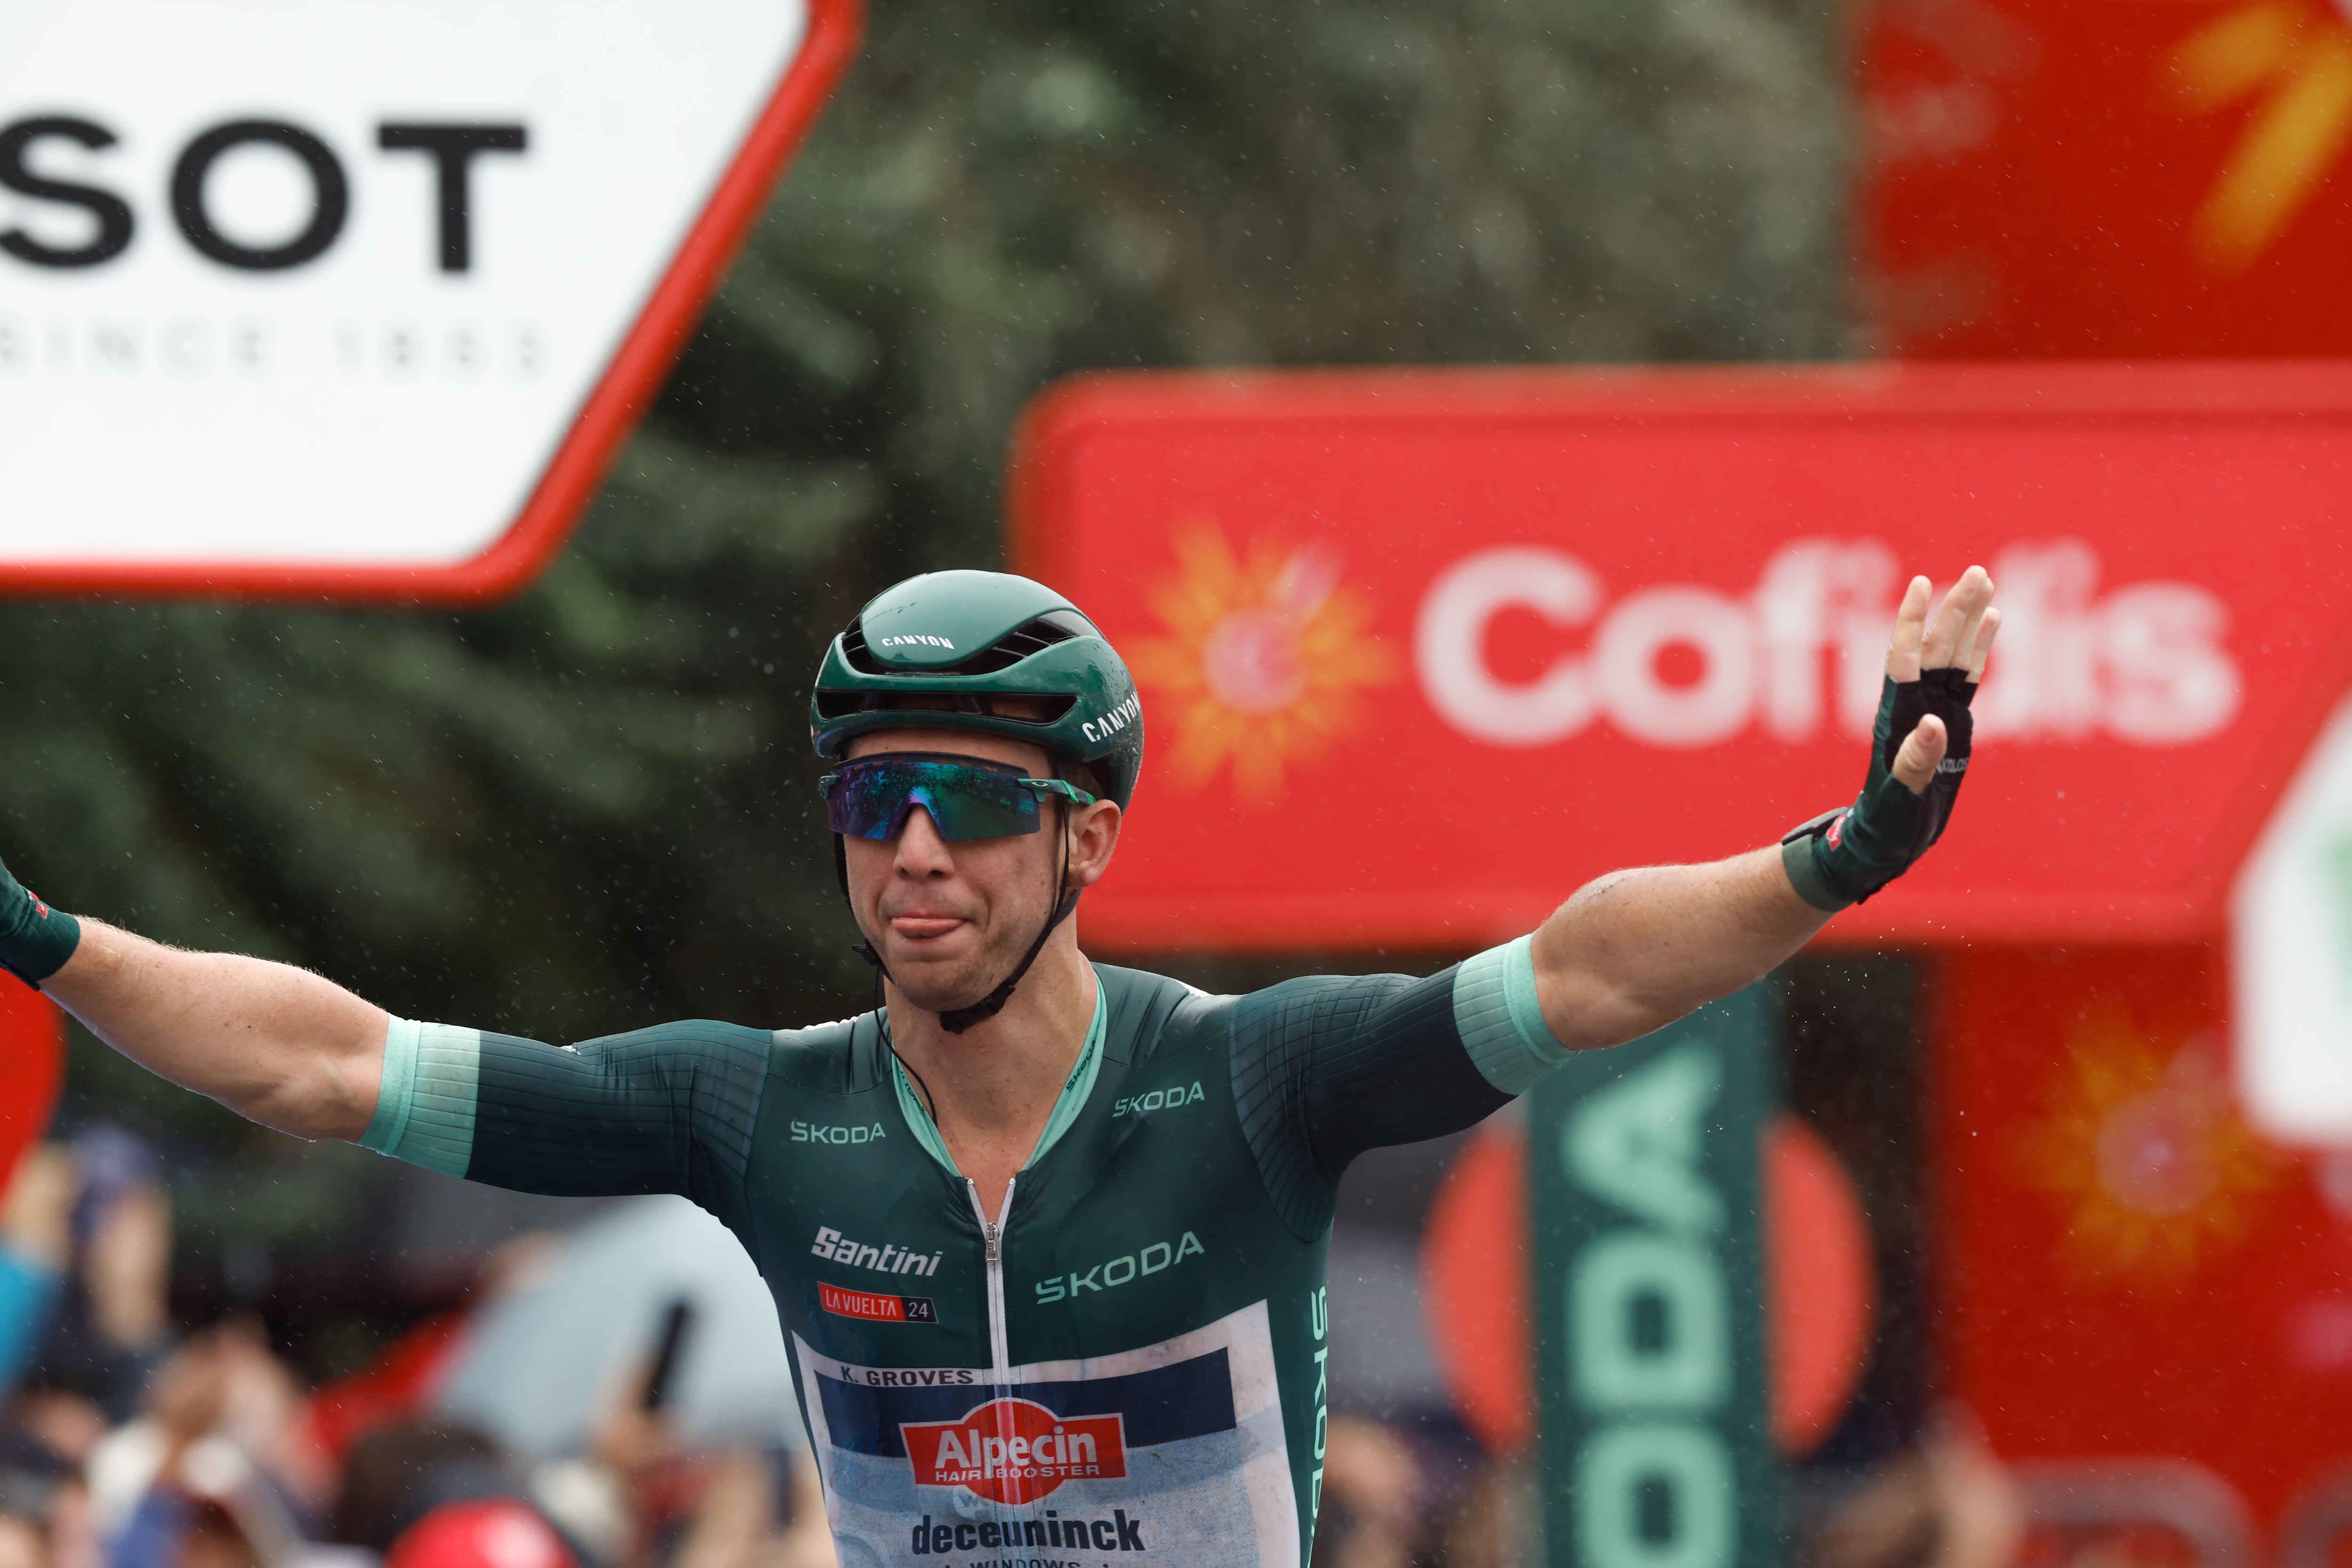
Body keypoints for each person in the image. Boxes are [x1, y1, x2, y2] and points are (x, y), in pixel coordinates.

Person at [0, 566, 1998, 1568]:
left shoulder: (1249, 1082)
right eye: (875, 800)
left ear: (1089, 837)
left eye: (967, 798)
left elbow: (1574, 971)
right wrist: (36, 936)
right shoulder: (750, 1111)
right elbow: (335, 1072)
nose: (916, 853)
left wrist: (1835, 857)